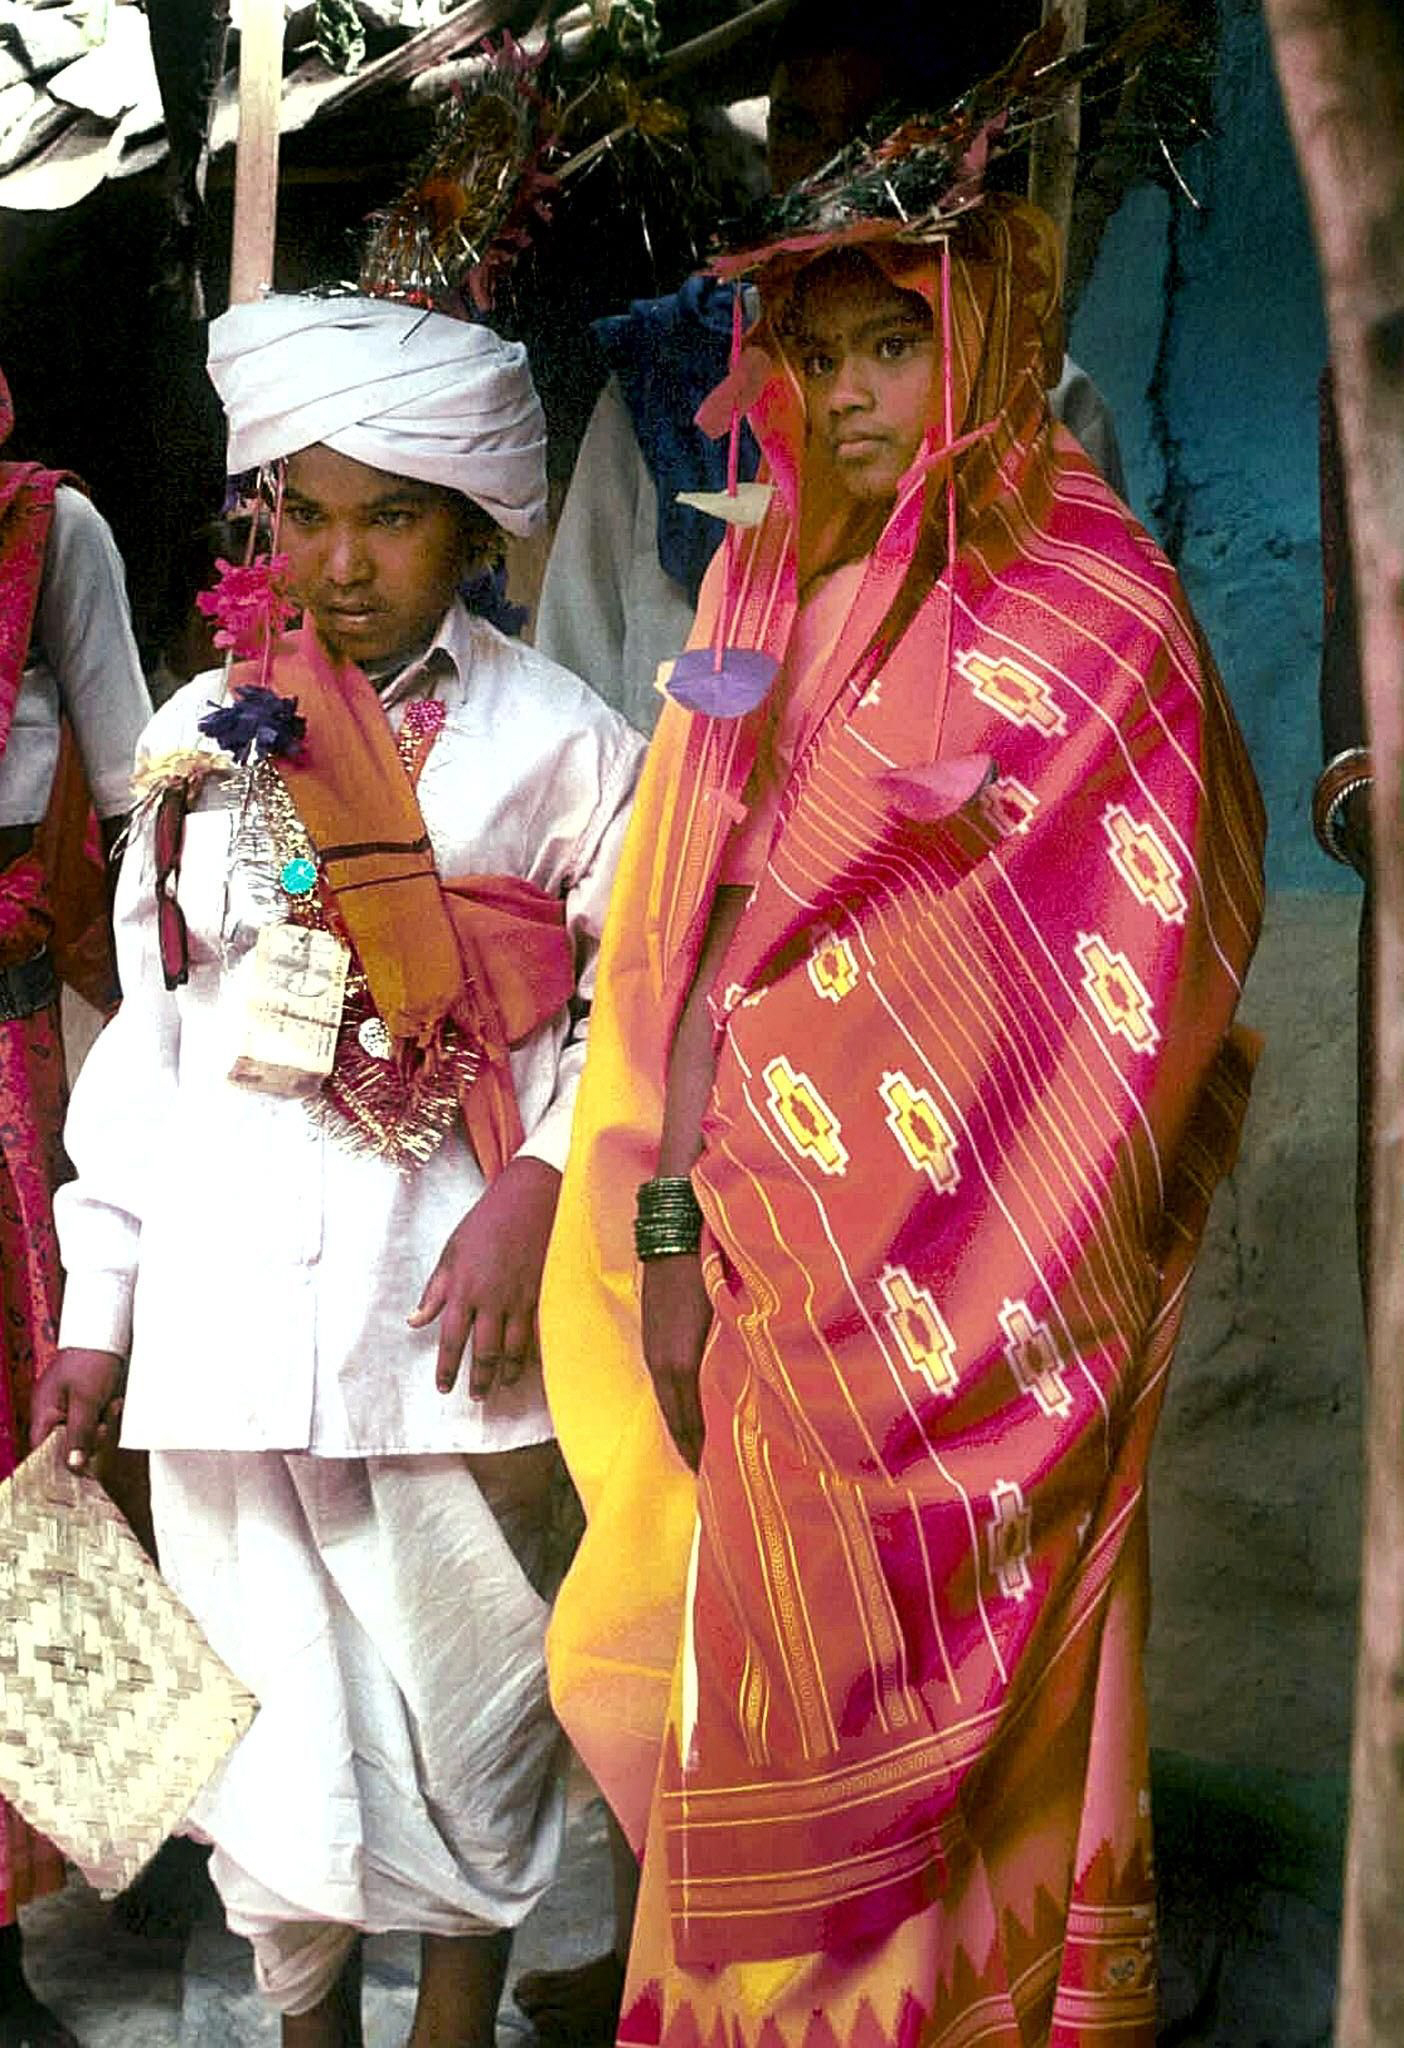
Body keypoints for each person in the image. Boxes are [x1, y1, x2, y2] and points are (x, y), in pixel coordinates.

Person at [540, 161, 1265, 2045]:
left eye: (896, 343)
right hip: (756, 1276)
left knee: (970, 1753)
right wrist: (676, 1225)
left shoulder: (1098, 614)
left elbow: (1125, 972)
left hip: (983, 1295)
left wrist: (873, 1170)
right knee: (709, 1693)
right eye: (817, 347)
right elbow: (676, 958)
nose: (850, 394)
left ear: (996, 344)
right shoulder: (752, 585)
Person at [32, 295, 642, 2048]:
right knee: (275, 1761)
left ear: (469, 527)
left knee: (475, 1729)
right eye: (305, 511)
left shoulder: (566, 742)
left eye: (390, 514)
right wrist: (101, 1306)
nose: (343, 557)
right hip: (225, 1336)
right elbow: (146, 1051)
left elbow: (633, 1003)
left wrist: (535, 1197)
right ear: (263, 523)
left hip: (445, 1324)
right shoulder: (196, 742)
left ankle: (452, 2023)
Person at [533, 0, 1127, 738]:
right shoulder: (665, 385)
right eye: (799, 128)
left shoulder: (1029, 390)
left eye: (870, 130)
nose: (829, 169)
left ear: (934, 145)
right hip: (682, 835)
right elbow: (575, 683)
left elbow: (1086, 673)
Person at [0, 368, 151, 2048]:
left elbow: (136, 794)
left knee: (26, 1451)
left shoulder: (51, 533)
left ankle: (23, 1906)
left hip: (2, 1045)